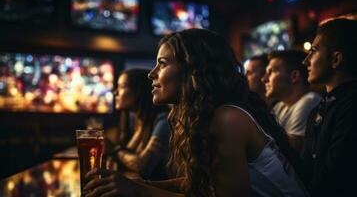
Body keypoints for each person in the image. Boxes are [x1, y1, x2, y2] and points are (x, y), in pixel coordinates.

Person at [84, 29, 308, 197]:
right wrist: (138, 184)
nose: (152, 74)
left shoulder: (227, 118)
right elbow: (201, 183)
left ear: (193, 69)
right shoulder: (210, 116)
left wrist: (139, 191)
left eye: (162, 64)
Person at [301, 18, 357, 196]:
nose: (305, 61)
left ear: (336, 59)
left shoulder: (351, 107)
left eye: (314, 51)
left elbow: (334, 178)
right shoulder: (319, 109)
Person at [109, 68, 170, 181]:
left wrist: (114, 150)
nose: (115, 92)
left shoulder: (164, 121)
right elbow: (129, 155)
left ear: (139, 91)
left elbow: (143, 165)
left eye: (121, 87)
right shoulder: (139, 123)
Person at [262, 50, 321, 152]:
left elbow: (293, 149)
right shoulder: (279, 106)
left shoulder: (310, 100)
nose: (264, 79)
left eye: (271, 72)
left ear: (294, 76)